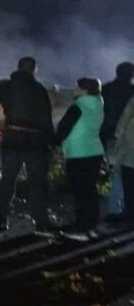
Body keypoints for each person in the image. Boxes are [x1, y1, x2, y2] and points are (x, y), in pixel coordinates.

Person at [0, 56, 54, 235]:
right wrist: (50, 142)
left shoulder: (6, 87)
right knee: (36, 183)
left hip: (12, 139)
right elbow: (46, 119)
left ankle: (2, 219)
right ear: (34, 70)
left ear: (18, 67)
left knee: (8, 180)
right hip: (35, 142)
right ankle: (41, 223)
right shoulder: (39, 89)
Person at [55, 78, 105, 241]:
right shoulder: (99, 104)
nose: (74, 89)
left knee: (80, 191)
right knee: (90, 190)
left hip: (78, 153)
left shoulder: (78, 107)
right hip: (95, 152)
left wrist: (53, 142)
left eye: (77, 87)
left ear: (84, 90)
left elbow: (63, 128)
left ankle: (81, 228)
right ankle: (91, 226)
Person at [101, 62, 134, 221]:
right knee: (124, 175)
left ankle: (115, 209)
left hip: (108, 135)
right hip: (127, 140)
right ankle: (119, 210)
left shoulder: (105, 89)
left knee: (117, 174)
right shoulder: (132, 91)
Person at [110, 96, 134, 222]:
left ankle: (129, 215)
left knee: (128, 183)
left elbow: (124, 120)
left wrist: (117, 136)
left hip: (129, 148)